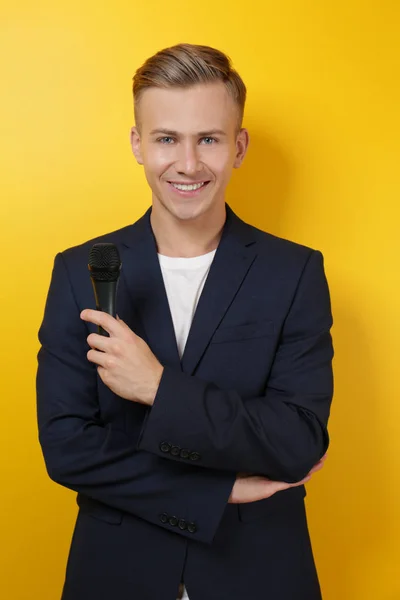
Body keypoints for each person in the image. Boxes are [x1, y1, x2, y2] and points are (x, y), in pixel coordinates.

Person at [36, 43, 334, 600]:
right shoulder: (78, 270)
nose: (189, 164)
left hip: (260, 575)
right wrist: (218, 493)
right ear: (137, 144)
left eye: (210, 139)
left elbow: (298, 440)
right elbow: (67, 446)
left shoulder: (294, 272)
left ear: (239, 146)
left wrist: (158, 389)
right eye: (167, 138)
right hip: (116, 575)